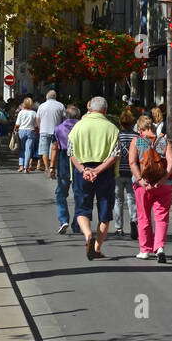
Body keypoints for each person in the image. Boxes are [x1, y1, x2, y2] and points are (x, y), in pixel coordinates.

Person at [68, 96, 120, 260]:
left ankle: (88, 234)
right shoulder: (112, 129)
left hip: (82, 171)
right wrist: (97, 170)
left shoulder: (78, 126)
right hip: (104, 172)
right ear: (105, 110)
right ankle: (97, 248)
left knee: (82, 209)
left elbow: (71, 152)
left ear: (90, 109)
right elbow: (114, 155)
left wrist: (84, 170)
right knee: (105, 212)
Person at [129, 113, 172, 263]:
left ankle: (145, 250)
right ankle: (160, 247)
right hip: (164, 185)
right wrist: (163, 179)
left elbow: (132, 163)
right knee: (161, 217)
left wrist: (140, 180)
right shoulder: (164, 140)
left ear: (140, 129)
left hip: (144, 185)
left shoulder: (137, 141)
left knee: (143, 217)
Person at [52, 104, 80, 234]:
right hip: (80, 161)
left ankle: (63, 219)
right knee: (79, 194)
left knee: (61, 193)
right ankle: (77, 223)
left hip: (64, 160)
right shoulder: (82, 127)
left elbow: (54, 148)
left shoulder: (59, 129)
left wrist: (51, 166)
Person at [114, 107, 139, 240]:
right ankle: (133, 221)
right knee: (132, 199)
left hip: (118, 171)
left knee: (118, 200)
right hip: (132, 171)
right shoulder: (136, 136)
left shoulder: (117, 135)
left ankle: (119, 227)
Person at [36, 89, 66, 178]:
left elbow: (37, 118)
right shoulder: (60, 105)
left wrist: (40, 127)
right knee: (53, 150)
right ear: (55, 97)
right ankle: (52, 167)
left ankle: (46, 168)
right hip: (56, 130)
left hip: (44, 130)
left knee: (44, 150)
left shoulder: (41, 106)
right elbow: (64, 118)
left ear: (46, 97)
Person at [14, 96, 39, 172]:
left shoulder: (21, 112)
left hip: (21, 131)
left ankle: (21, 165)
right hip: (31, 131)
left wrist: (14, 130)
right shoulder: (34, 113)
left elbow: (17, 124)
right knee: (28, 149)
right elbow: (35, 126)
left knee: (22, 149)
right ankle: (26, 167)